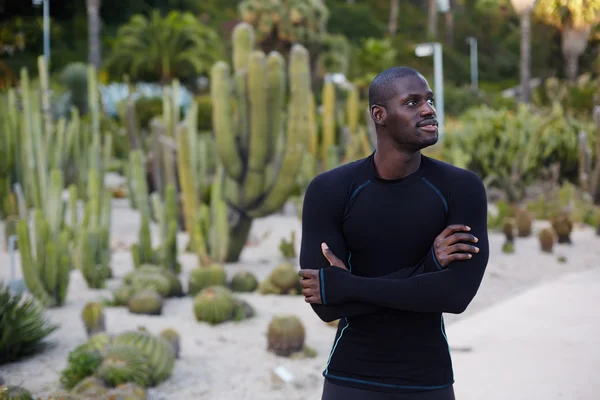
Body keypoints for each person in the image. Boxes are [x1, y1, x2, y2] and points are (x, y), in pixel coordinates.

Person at [298, 66, 490, 400]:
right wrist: (428, 269)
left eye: (429, 100)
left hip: (427, 382)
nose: (429, 109)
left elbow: (457, 296)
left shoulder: (461, 188)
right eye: (412, 102)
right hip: (350, 380)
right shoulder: (330, 190)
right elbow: (327, 307)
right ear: (380, 114)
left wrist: (348, 285)